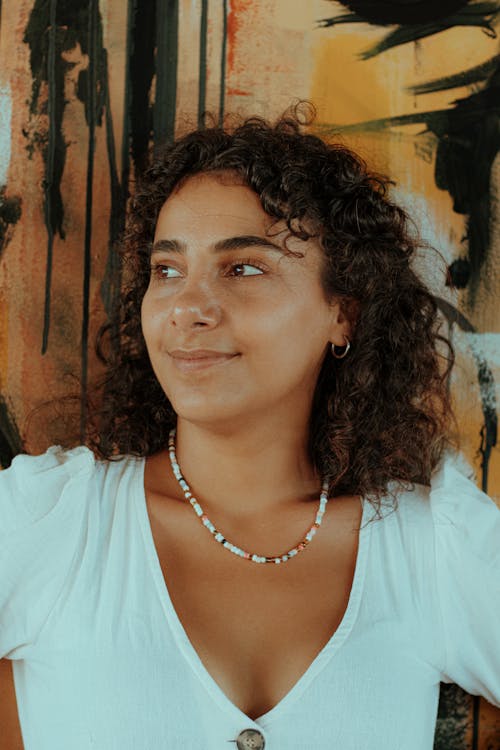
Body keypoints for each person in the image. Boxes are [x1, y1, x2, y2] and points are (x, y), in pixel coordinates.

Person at [1, 107, 499, 750]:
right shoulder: (50, 526)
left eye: (244, 268)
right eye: (167, 270)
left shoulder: (432, 548)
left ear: (341, 313)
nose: (188, 307)